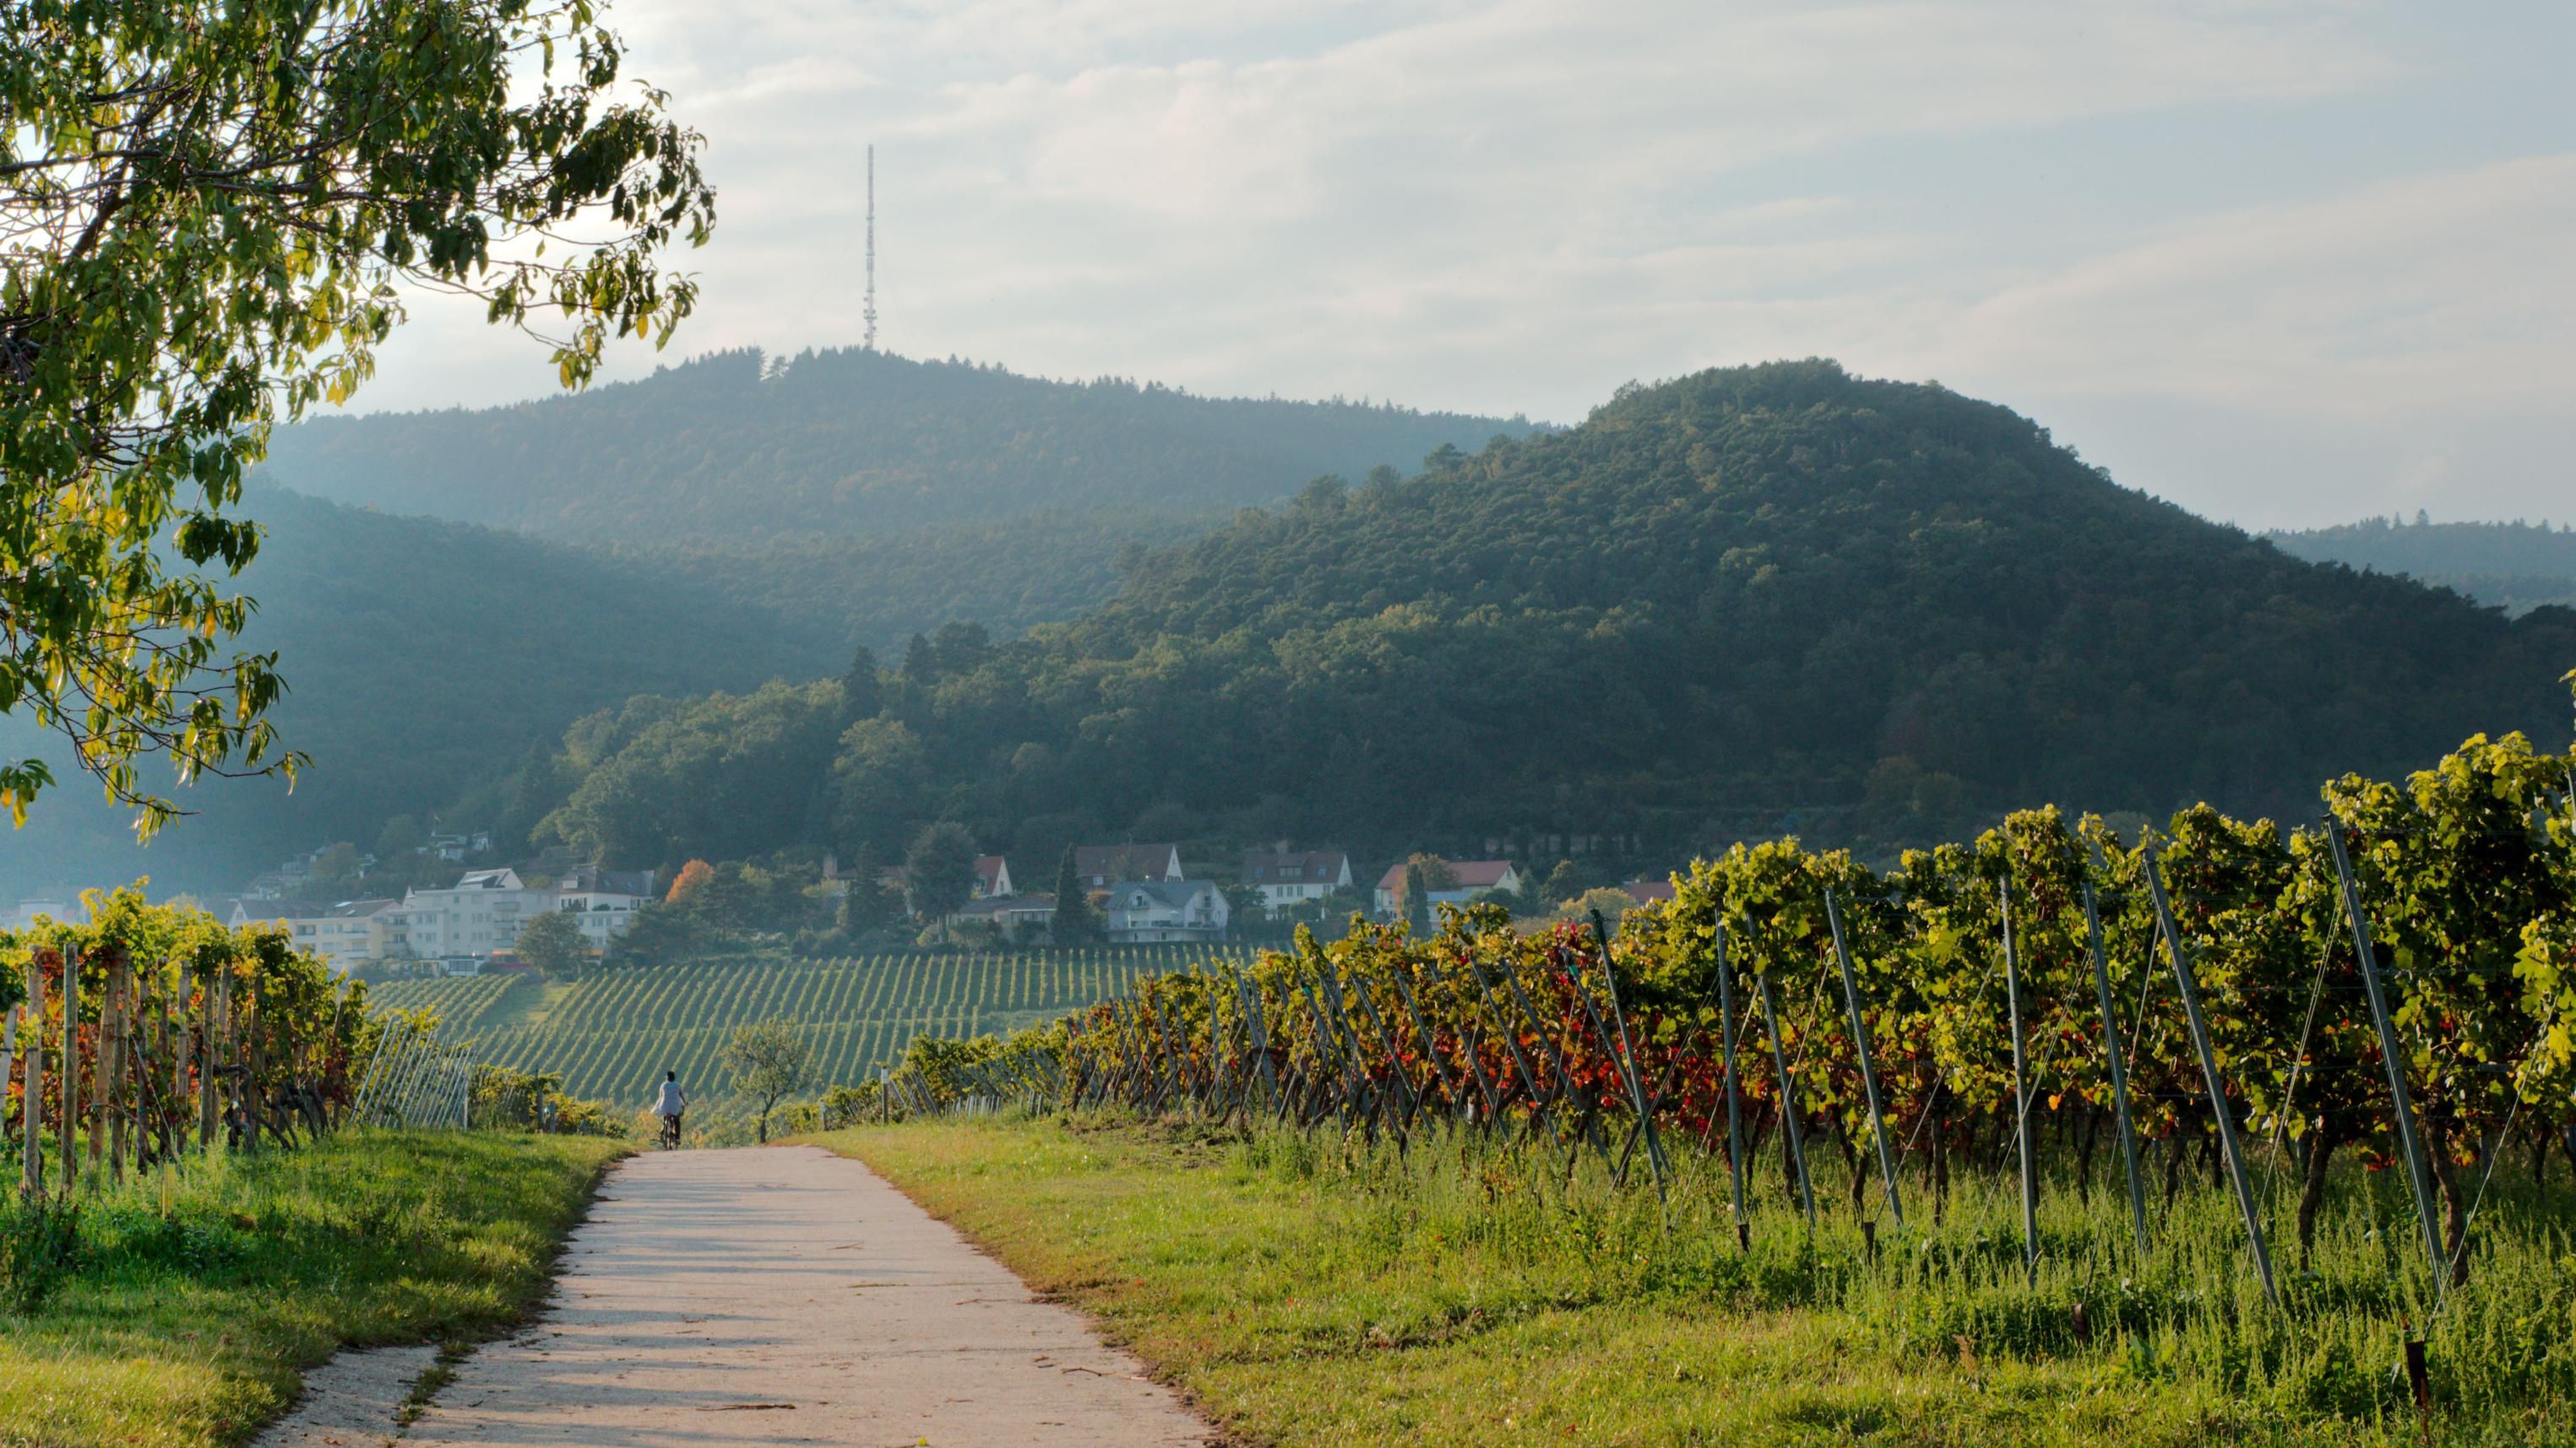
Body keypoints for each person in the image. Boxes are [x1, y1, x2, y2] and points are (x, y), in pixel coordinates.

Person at [654, 1069, 687, 1147]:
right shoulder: (678, 1085)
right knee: (677, 1122)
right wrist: (685, 1103)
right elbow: (682, 1096)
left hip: (665, 1105)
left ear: (667, 1078)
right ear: (674, 1078)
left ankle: (663, 1126)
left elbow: (660, 1097)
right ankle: (677, 1138)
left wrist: (658, 1105)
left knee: (665, 1114)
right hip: (675, 1106)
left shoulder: (663, 1085)